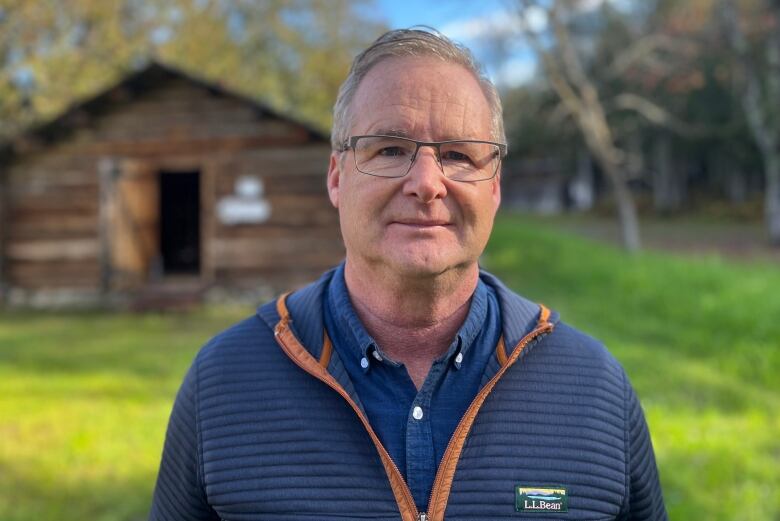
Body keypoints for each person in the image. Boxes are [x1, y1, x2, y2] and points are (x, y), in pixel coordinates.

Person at [149, 28, 667, 521]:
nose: (426, 183)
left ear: (494, 187)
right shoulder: (224, 383)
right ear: (336, 177)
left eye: (459, 155)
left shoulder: (594, 389)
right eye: (390, 149)